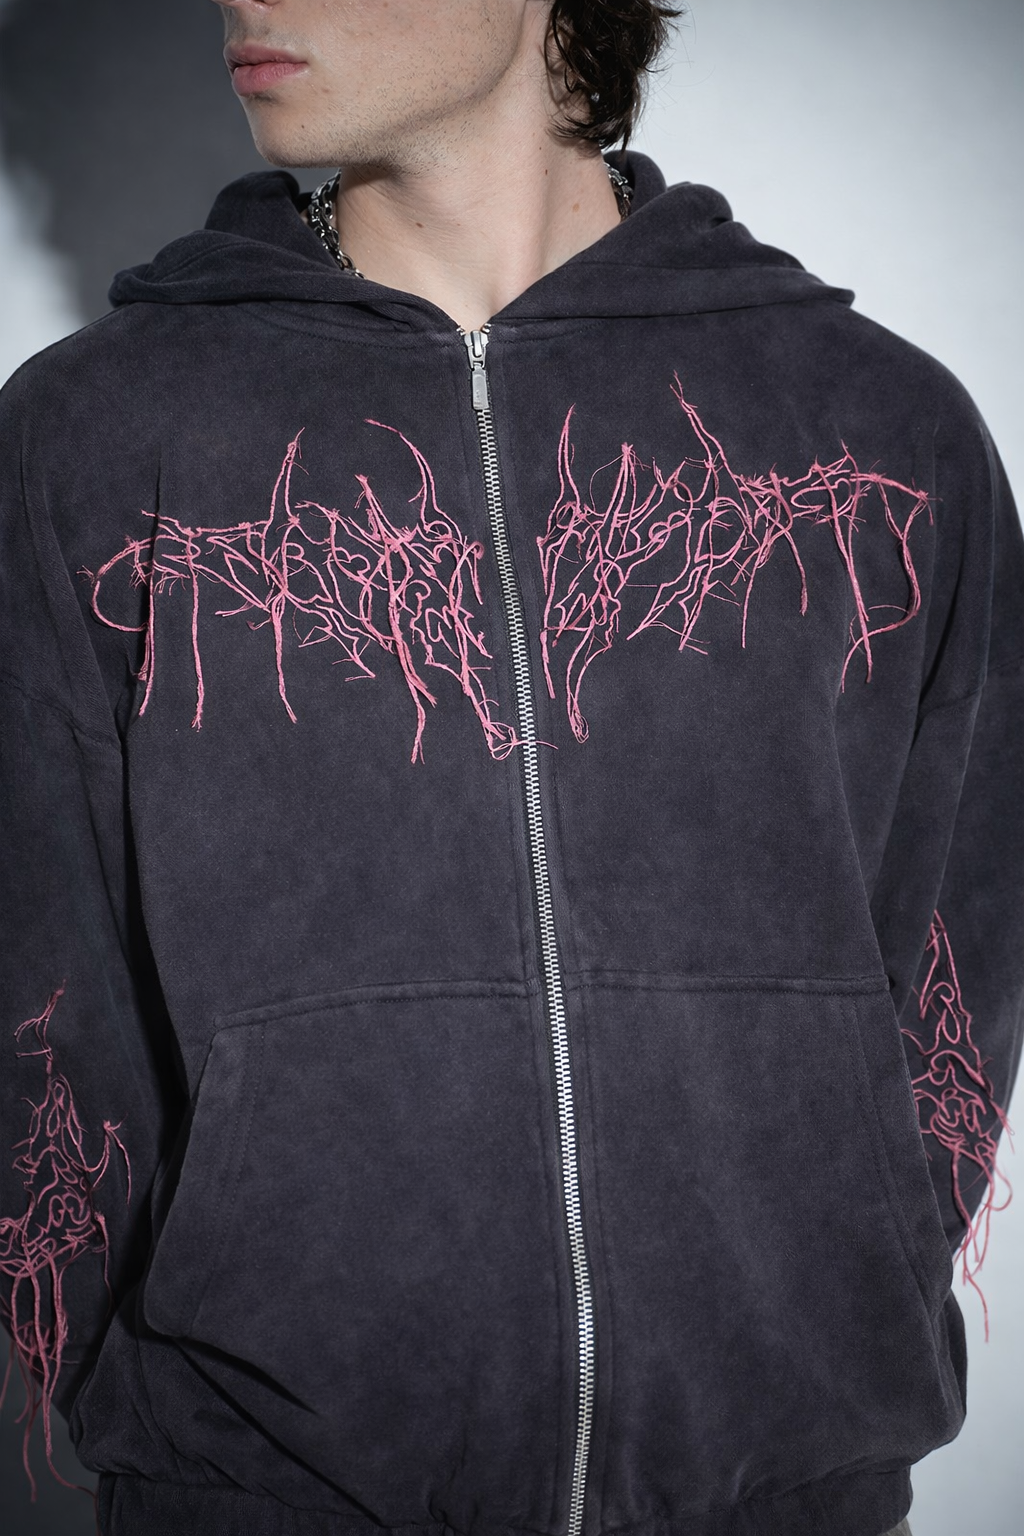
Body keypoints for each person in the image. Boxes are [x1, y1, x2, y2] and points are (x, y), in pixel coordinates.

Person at [1, 2, 1021, 1534]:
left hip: (779, 1494)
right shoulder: (96, 439)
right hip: (262, 1494)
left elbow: (954, 956)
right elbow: (37, 988)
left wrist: (818, 1324)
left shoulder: (875, 432)